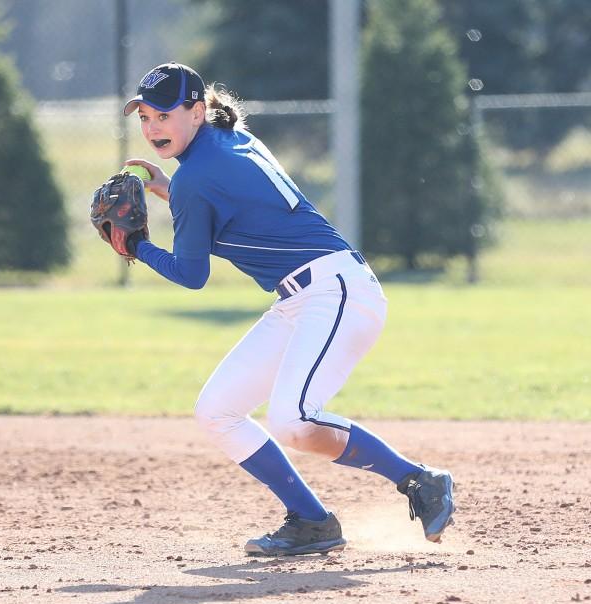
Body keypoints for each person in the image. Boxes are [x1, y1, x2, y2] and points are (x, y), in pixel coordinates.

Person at [119, 62, 456, 556]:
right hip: (307, 296)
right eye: (144, 118)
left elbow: (191, 274)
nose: (152, 129)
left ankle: (419, 480)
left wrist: (135, 247)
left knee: (294, 419)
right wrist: (167, 190)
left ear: (196, 110)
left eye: (163, 116)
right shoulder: (227, 139)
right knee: (217, 411)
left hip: (335, 293)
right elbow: (234, 211)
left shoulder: (196, 177)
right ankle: (312, 522)